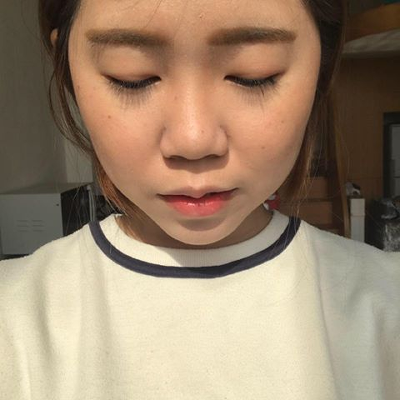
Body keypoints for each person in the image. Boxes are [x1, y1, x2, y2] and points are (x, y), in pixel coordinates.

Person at [1, 0, 399, 398]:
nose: (193, 141)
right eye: (132, 78)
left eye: (252, 76)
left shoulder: (387, 301)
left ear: (321, 67)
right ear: (68, 69)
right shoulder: (14, 316)